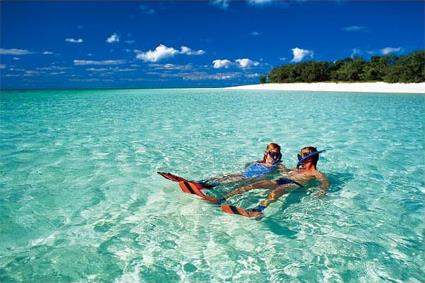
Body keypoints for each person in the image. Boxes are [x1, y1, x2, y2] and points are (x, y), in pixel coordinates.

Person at [217, 146, 329, 217]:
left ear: (309, 158)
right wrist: (280, 167)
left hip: (294, 185)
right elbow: (286, 173)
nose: (300, 159)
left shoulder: (316, 173)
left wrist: (322, 191)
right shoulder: (298, 169)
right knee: (256, 184)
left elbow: (325, 183)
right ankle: (222, 199)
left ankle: (257, 210)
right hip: (282, 180)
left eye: (301, 156)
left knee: (276, 192)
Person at [201, 143, 288, 186]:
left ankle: (211, 186)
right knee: (226, 176)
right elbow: (247, 164)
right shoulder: (259, 162)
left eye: (278, 155)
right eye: (273, 154)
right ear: (266, 153)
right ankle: (202, 182)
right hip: (244, 174)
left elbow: (286, 174)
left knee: (233, 180)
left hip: (251, 179)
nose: (275, 157)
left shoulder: (278, 165)